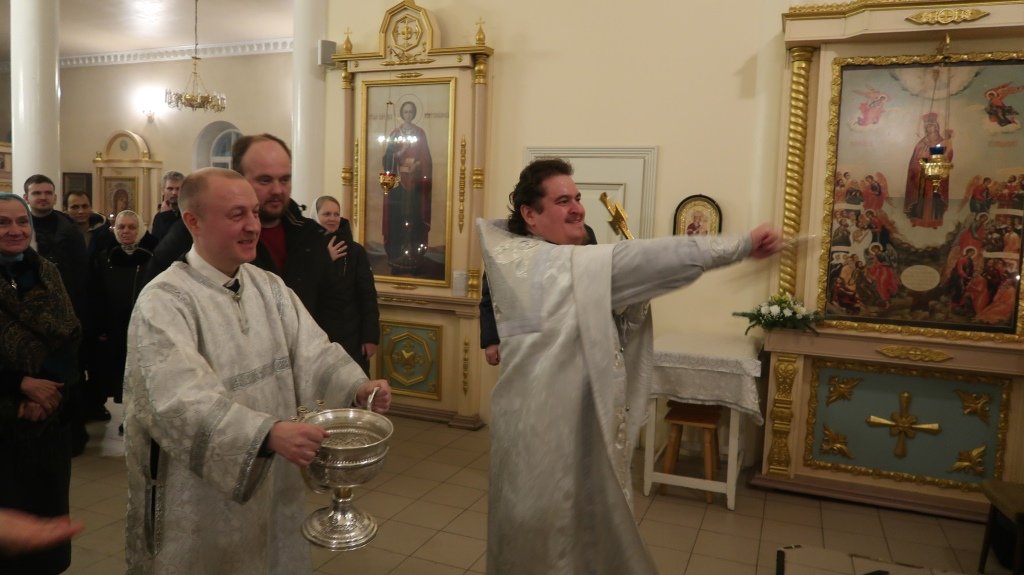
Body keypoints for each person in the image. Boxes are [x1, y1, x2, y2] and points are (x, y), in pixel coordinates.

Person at [477, 158, 782, 574]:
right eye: (563, 201)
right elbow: (649, 260)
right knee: (550, 531)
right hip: (549, 430)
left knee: (547, 531)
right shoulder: (558, 267)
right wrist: (740, 245)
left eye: (577, 198)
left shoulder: (519, 256)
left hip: (542, 421)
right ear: (530, 215)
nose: (578, 208)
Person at [123, 168, 392, 574]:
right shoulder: (164, 302)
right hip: (203, 495)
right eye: (237, 215)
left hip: (274, 478)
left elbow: (313, 352)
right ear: (193, 221)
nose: (253, 226)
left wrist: (357, 387)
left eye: (253, 212)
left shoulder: (269, 287)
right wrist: (265, 434)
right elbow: (178, 401)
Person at [0, 193, 82, 574]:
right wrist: (20, 384)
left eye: (22, 221)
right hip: (5, 419)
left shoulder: (46, 271)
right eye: (3, 223)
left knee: (47, 527)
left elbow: (69, 333)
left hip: (48, 418)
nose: (14, 230)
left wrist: (46, 388)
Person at [23, 174, 91, 453]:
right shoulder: (20, 226)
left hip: (64, 313)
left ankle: (72, 436)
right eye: (37, 193)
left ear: (54, 196)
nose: (42, 197)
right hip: (27, 317)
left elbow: (80, 276)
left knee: (66, 377)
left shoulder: (68, 231)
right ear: (27, 197)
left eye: (47, 193)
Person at [87, 210, 156, 414]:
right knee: (120, 371)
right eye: (121, 227)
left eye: (132, 227)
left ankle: (140, 415)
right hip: (114, 325)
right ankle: (127, 414)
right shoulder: (105, 256)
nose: (126, 231)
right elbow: (96, 292)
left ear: (140, 229)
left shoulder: (152, 256)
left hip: (144, 324)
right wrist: (100, 325)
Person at [314, 195, 381, 375]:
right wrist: (325, 260)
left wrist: (370, 337)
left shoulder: (356, 251)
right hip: (318, 334)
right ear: (316, 216)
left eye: (336, 214)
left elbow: (367, 296)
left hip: (352, 334)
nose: (332, 218)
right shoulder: (307, 249)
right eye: (326, 214)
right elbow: (304, 291)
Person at [383, 100, 432, 270]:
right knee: (397, 217)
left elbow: (426, 158)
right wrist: (400, 153)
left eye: (411, 112)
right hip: (398, 185)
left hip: (415, 184)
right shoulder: (395, 133)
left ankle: (413, 252)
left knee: (414, 216)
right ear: (402, 114)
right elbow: (387, 159)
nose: (408, 115)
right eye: (406, 112)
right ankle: (398, 253)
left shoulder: (420, 133)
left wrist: (418, 165)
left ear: (415, 113)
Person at [903, 112, 953, 228]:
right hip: (922, 175)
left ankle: (934, 221)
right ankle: (917, 220)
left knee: (935, 196)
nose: (929, 128)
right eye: (927, 126)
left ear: (936, 127)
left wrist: (943, 152)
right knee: (920, 197)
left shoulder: (941, 141)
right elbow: (916, 157)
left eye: (931, 126)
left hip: (934, 174)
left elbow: (945, 156)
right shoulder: (922, 142)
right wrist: (921, 161)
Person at [150, 171, 184, 241]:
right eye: (170, 189)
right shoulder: (159, 216)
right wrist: (165, 215)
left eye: (178, 189)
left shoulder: (190, 214)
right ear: (163, 191)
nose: (174, 193)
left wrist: (167, 216)